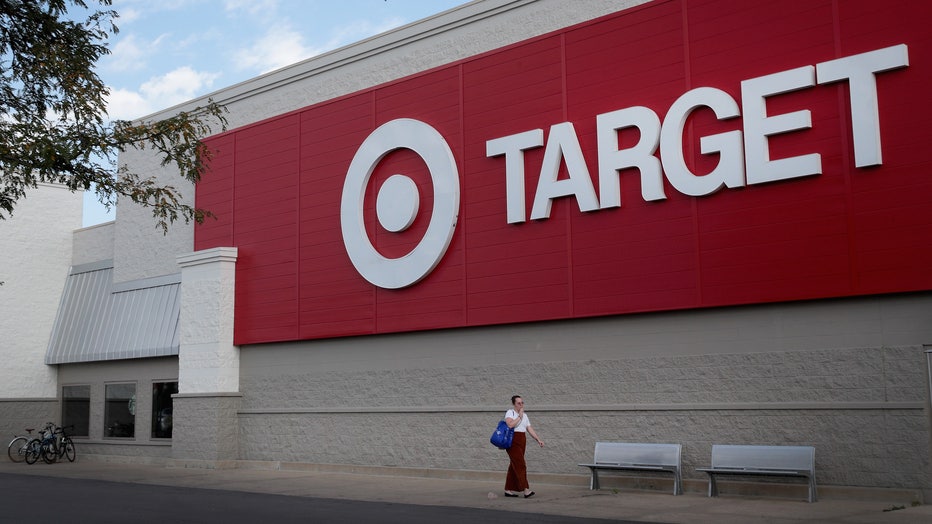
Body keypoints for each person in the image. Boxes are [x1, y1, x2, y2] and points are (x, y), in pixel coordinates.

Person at [503, 395, 544, 498]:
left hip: (522, 440)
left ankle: (508, 489)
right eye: (519, 403)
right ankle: (526, 490)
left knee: (514, 465)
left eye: (522, 403)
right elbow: (510, 425)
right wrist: (519, 416)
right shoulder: (510, 412)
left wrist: (538, 439)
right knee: (521, 465)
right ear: (514, 404)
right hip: (513, 441)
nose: (521, 405)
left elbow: (529, 428)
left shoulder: (525, 415)